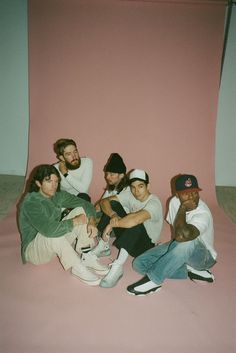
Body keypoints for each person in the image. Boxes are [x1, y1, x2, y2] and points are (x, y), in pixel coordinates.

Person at [18, 164, 108, 286]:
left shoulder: (57, 194)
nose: (54, 185)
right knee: (53, 232)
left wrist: (91, 220)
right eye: (49, 181)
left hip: (56, 243)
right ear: (38, 183)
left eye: (56, 181)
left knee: (81, 211)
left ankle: (86, 255)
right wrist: (74, 221)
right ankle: (77, 267)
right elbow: (48, 230)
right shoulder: (30, 202)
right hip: (35, 250)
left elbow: (85, 204)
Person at [127, 174, 217, 296]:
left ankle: (154, 281)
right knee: (139, 264)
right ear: (177, 194)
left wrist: (184, 207)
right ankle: (188, 270)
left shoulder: (203, 213)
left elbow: (183, 237)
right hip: (181, 244)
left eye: (195, 192)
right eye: (186, 193)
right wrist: (169, 250)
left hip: (204, 257)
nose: (192, 197)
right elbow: (177, 234)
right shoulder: (174, 202)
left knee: (187, 241)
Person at [91, 169, 163, 288]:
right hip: (130, 235)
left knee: (134, 222)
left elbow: (135, 220)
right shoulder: (130, 193)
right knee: (112, 206)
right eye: (133, 187)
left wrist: (112, 224)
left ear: (148, 186)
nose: (136, 191)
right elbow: (104, 201)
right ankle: (103, 246)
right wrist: (113, 215)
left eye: (141, 186)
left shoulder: (154, 203)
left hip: (145, 247)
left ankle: (118, 267)